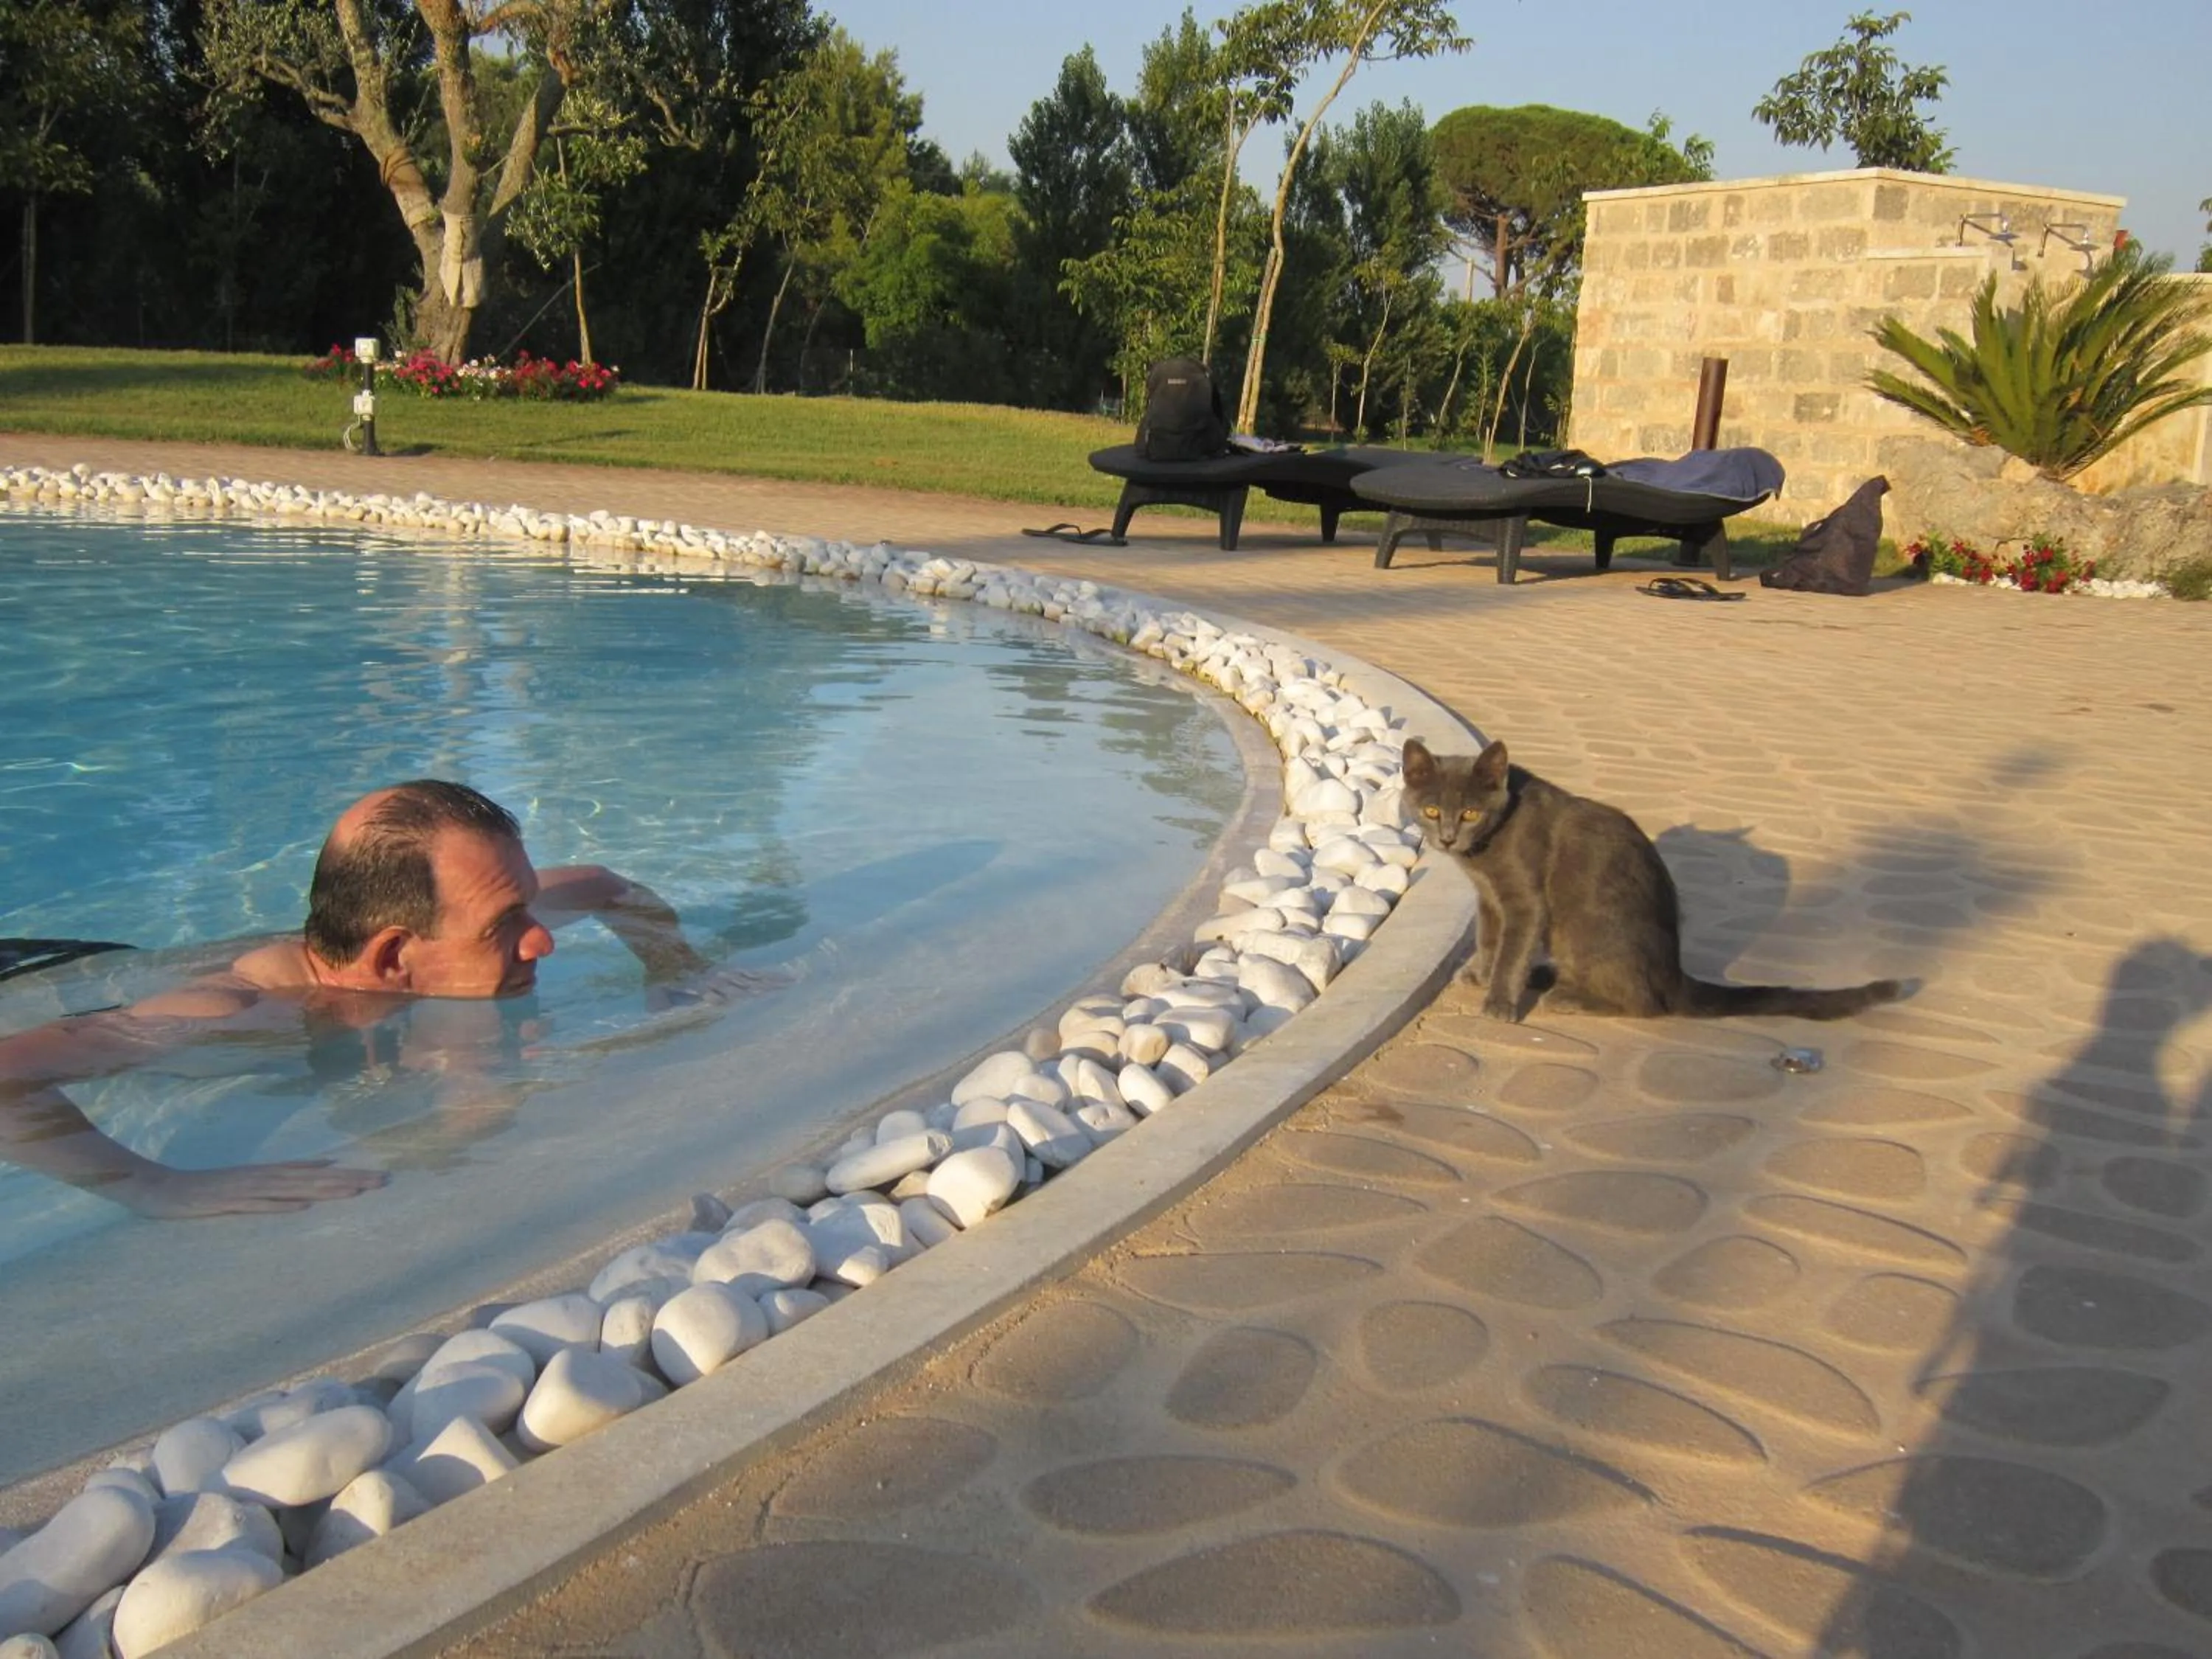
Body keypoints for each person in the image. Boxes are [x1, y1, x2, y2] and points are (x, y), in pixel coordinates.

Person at [0, 781, 717, 1220]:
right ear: (393, 956)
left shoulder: (464, 912)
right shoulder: (247, 1015)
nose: (540, 944)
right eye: (505, 929)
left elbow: (602, 885)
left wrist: (675, 969)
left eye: (526, 910)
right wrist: (155, 1188)